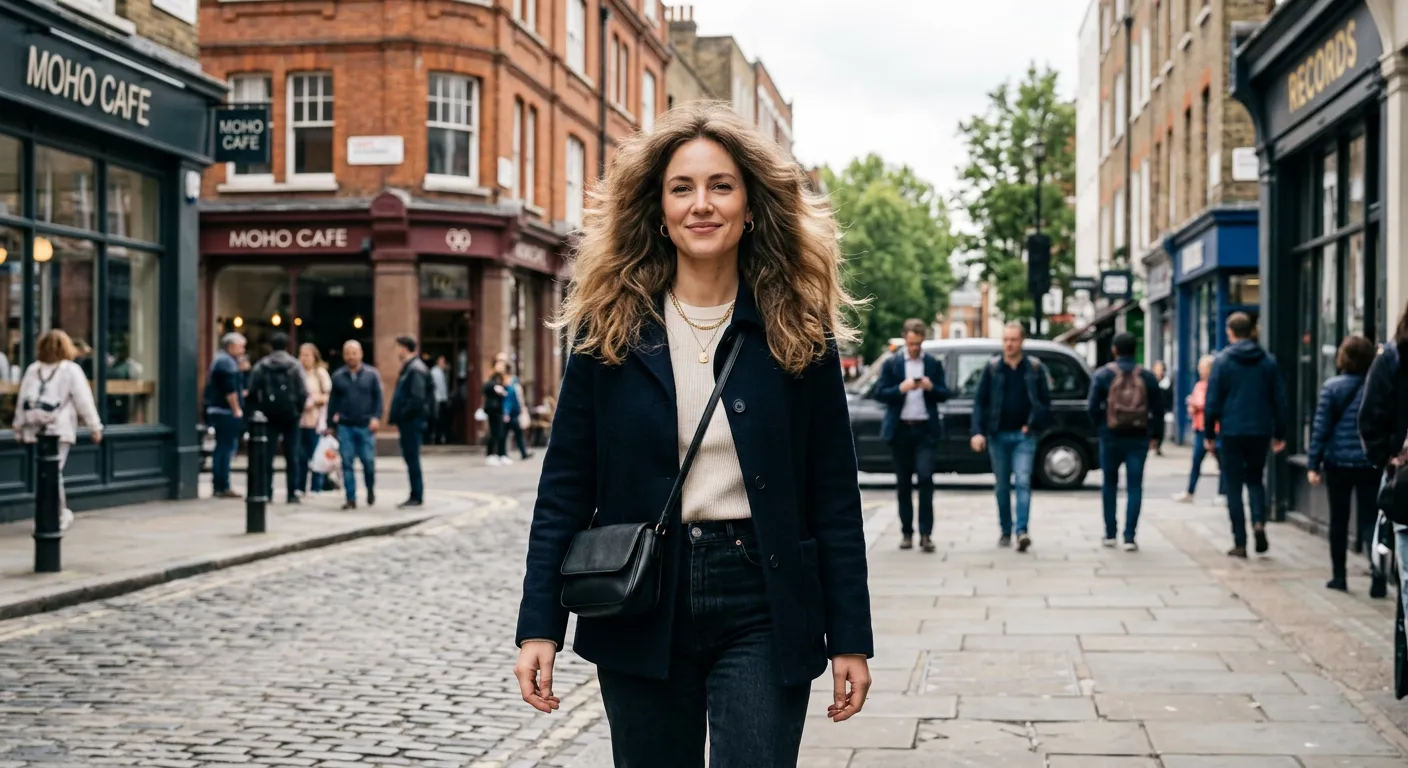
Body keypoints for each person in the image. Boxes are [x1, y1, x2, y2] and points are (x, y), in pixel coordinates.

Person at [513, 102, 874, 767]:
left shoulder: (796, 325)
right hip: (643, 594)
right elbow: (565, 482)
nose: (700, 204)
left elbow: (832, 490)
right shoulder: (609, 327)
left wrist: (850, 635)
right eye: (682, 188)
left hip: (763, 593)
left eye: (720, 186)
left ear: (750, 207)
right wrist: (540, 624)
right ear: (657, 208)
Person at [1204, 312, 1288, 558]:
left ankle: (1240, 542)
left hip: (1231, 430)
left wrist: (1209, 433)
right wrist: (1279, 433)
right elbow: (1279, 400)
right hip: (1259, 430)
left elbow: (1213, 401)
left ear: (1231, 331)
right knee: (1254, 479)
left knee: (1233, 485)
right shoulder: (1267, 361)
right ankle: (1259, 522)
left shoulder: (1222, 361)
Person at [1308, 335, 1384, 595]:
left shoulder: (1332, 387)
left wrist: (1313, 463)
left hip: (1338, 462)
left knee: (1338, 520)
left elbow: (1321, 428)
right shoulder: (1376, 386)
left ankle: (1339, 577)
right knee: (1371, 520)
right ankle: (1378, 577)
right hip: (1369, 462)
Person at [1359, 302, 1408, 698]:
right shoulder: (1393, 358)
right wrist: (1390, 459)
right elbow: (1370, 418)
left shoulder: (1391, 357)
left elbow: (1371, 416)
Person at [970, 322, 1052, 552]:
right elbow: (980, 402)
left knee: (1024, 482)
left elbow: (1044, 403)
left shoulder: (1034, 369)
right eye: (1005, 339)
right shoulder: (993, 368)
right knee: (1002, 486)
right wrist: (977, 431)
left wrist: (1032, 424)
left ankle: (1021, 530)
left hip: (1024, 436)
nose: (1008, 344)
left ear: (1021, 341)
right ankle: (1006, 529)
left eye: (1013, 340)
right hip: (998, 435)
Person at [871, 317, 949, 552]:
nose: (914, 348)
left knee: (925, 479)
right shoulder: (893, 364)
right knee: (903, 484)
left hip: (924, 429)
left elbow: (945, 393)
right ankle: (907, 533)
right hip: (901, 429)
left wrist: (930, 387)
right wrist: (900, 389)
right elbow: (879, 393)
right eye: (911, 343)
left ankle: (926, 534)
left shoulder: (933, 364)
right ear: (905, 339)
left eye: (918, 344)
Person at [13, 329, 102, 531]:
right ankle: (57, 514)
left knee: (47, 473)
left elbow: (22, 400)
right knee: (54, 473)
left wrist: (18, 427)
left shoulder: (33, 369)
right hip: (59, 429)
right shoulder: (70, 370)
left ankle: (48, 513)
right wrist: (94, 427)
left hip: (34, 428)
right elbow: (83, 400)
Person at [1087, 332, 1165, 551]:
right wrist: (1155, 436)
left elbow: (1092, 406)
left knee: (1109, 484)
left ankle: (1110, 534)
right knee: (1134, 487)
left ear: (1114, 350)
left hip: (1110, 436)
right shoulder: (1147, 377)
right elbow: (1158, 410)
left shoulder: (1103, 375)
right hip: (1138, 437)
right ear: (1135, 349)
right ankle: (1130, 536)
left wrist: (1102, 427)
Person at [245, 332, 308, 504]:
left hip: (268, 416)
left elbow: (251, 392)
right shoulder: (294, 365)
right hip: (290, 416)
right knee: (292, 455)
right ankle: (292, 493)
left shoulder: (262, 365)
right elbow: (303, 392)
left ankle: (267, 491)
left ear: (270, 346)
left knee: (266, 455)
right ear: (287, 346)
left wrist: (257, 412)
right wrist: (297, 410)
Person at [327, 340, 383, 510]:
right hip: (345, 425)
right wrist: (330, 424)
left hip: (365, 425)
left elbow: (378, 399)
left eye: (354, 353)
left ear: (361, 354)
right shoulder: (338, 376)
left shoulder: (372, 375)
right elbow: (332, 402)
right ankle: (350, 498)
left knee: (368, 461)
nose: (351, 356)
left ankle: (370, 489)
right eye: (347, 353)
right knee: (347, 462)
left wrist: (376, 417)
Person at [1174, 354, 1227, 505]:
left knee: (1222, 462)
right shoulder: (1199, 385)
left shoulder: (1215, 385)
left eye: (1203, 367)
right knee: (1196, 461)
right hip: (1199, 428)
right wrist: (1192, 405)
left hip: (1214, 429)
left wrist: (1195, 403)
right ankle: (1190, 491)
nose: (1200, 370)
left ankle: (1223, 493)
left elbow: (1208, 404)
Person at [388, 335, 432, 508]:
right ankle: (415, 494)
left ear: (404, 348)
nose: (396, 351)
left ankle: (416, 495)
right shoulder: (412, 368)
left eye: (398, 347)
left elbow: (417, 398)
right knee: (410, 458)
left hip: (412, 422)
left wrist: (403, 414)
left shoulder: (415, 369)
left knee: (412, 458)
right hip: (410, 421)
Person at [204, 332, 246, 499]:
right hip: (225, 411)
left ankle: (220, 484)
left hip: (217, 409)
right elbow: (230, 389)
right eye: (241, 346)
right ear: (231, 346)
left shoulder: (223, 361)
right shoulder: (226, 363)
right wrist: (237, 409)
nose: (243, 350)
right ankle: (222, 484)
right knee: (225, 448)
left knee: (223, 447)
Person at [298, 344, 333, 494]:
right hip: (299, 421)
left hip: (316, 421)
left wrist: (315, 400)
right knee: (300, 456)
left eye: (308, 355)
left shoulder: (320, 374)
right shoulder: (296, 373)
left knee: (316, 456)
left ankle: (315, 487)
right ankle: (299, 486)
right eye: (302, 355)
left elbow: (329, 396)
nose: (305, 358)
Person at [504, 362, 535, 461]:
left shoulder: (510, 382)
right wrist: (507, 411)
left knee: (513, 434)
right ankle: (508, 453)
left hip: (513, 412)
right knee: (510, 434)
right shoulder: (510, 383)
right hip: (512, 413)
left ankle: (518, 453)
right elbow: (510, 399)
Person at [482, 363, 510, 466]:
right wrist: (495, 388)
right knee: (494, 433)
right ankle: (491, 454)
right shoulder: (492, 381)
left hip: (499, 410)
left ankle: (500, 454)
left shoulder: (502, 380)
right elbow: (485, 388)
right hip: (493, 411)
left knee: (500, 433)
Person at [1151, 360, 1172, 456]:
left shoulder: (1166, 382)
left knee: (1160, 429)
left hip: (1162, 410)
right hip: (1151, 410)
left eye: (1161, 369)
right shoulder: (1151, 381)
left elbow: (1169, 397)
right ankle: (1152, 446)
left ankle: (1157, 446)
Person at [430, 355, 451, 445]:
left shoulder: (443, 372)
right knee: (437, 419)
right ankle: (436, 437)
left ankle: (440, 437)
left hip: (443, 398)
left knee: (443, 419)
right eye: (442, 361)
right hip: (437, 398)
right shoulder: (434, 372)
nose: (443, 364)